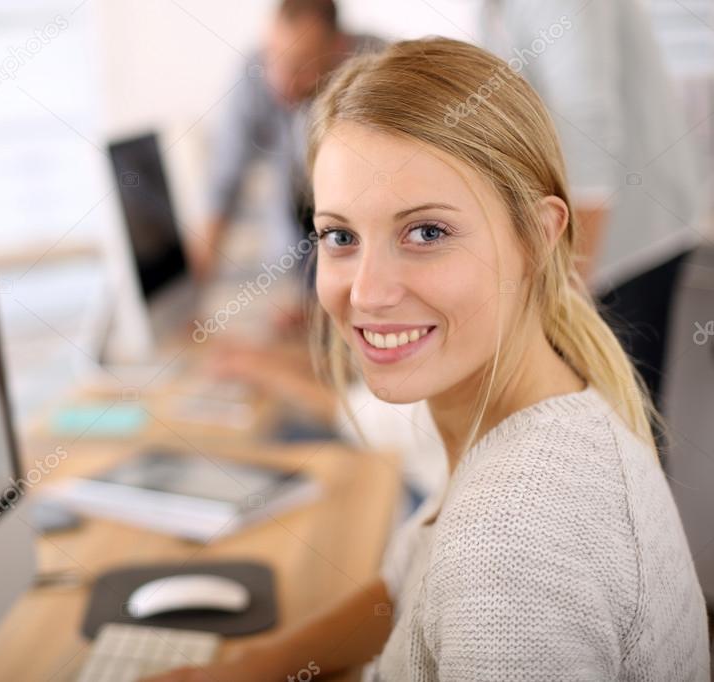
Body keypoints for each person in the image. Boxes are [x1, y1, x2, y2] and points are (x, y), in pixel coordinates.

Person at [145, 38, 709, 681]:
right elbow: (410, 585)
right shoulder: (535, 404)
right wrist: (256, 665)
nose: (367, 292)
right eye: (341, 236)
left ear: (539, 238)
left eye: (427, 233)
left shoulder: (510, 546)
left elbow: (476, 579)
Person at [479, 0, 704, 407]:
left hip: (629, 235)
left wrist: (568, 287)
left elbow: (587, 125)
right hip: (578, 232)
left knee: (621, 412)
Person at [189, 0, 385, 281]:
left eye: (299, 66)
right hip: (294, 246)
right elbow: (223, 182)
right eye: (274, 58)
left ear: (339, 48)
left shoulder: (380, 69)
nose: (281, 81)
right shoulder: (254, 71)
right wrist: (195, 290)